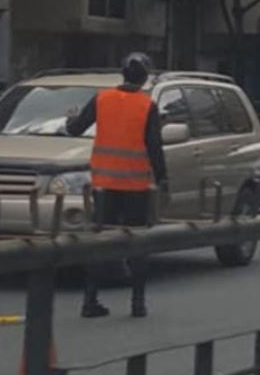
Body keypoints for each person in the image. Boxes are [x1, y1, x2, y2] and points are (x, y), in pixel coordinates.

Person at [66, 52, 168, 319]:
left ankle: (90, 301)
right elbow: (154, 147)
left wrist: (70, 119)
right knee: (137, 244)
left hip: (105, 183)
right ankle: (138, 303)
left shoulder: (102, 99)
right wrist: (162, 178)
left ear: (122, 73)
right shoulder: (147, 106)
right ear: (145, 78)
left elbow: (75, 129)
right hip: (136, 184)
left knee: (101, 242)